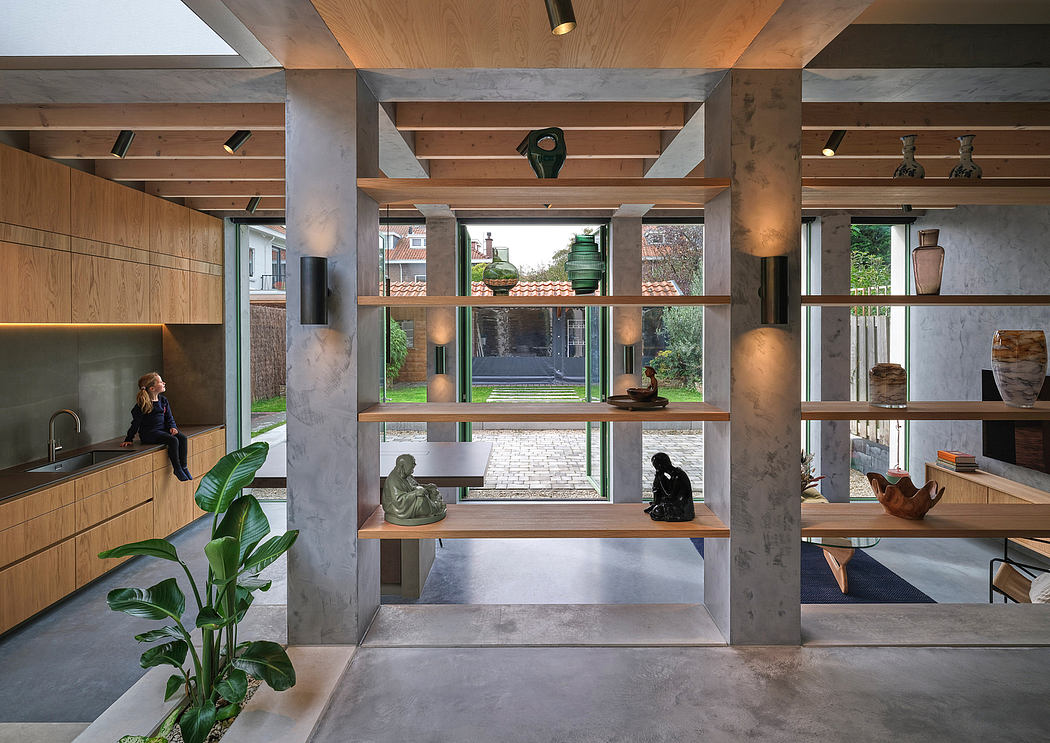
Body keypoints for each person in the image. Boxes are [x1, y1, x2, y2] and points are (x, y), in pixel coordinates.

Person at [120, 372, 191, 481]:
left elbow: (169, 417)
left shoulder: (163, 401)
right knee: (173, 441)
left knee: (182, 438)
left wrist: (173, 427)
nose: (164, 383)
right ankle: (177, 468)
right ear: (152, 388)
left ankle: (184, 466)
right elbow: (135, 423)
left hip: (162, 430)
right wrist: (129, 438)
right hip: (149, 434)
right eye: (160, 382)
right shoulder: (143, 404)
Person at [381, 454, 447, 525]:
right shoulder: (393, 480)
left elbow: (414, 486)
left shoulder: (406, 476)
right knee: (421, 500)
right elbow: (398, 500)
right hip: (396, 507)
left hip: (407, 499)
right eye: (412, 465)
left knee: (432, 489)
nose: (415, 465)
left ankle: (434, 504)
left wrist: (427, 487)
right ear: (403, 466)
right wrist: (415, 493)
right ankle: (436, 508)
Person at [645, 452, 694, 522]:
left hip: (681, 506)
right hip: (672, 501)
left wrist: (661, 478)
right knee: (658, 482)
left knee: (657, 510)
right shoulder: (674, 474)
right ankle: (655, 503)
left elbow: (670, 495)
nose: (656, 469)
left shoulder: (678, 476)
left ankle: (657, 506)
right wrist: (658, 478)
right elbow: (661, 489)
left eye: (656, 466)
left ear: (661, 465)